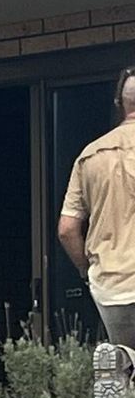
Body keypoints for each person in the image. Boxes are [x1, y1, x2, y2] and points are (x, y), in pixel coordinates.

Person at [60, 67, 135, 351]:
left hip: (110, 285)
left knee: (124, 360)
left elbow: (67, 229)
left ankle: (122, 371)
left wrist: (86, 269)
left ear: (119, 104)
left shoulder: (89, 156)